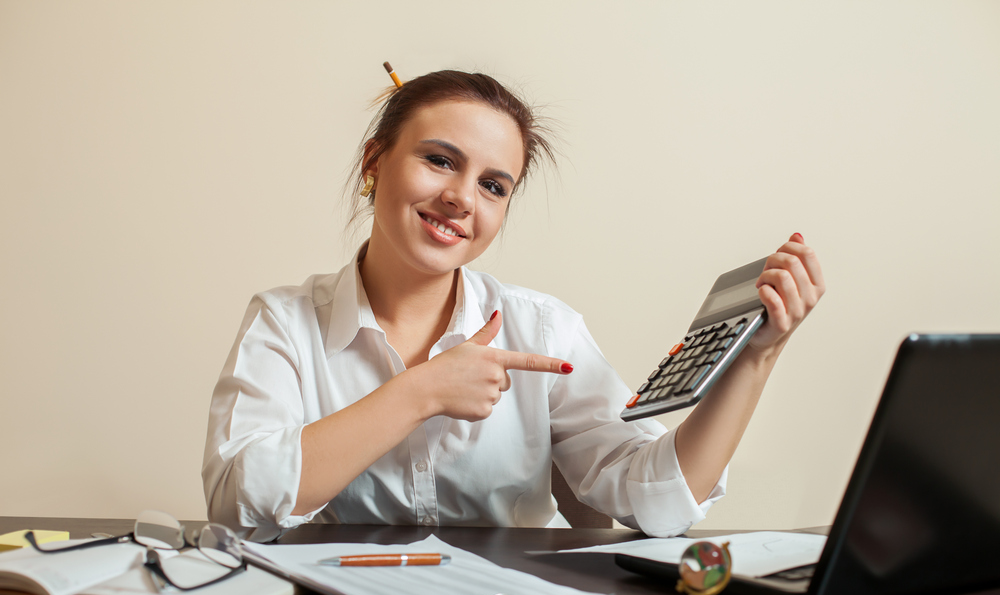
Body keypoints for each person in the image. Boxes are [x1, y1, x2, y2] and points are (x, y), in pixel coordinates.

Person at [202, 69, 825, 542]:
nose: (460, 198)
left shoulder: (545, 329)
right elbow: (236, 504)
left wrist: (754, 359)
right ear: (375, 163)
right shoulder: (284, 321)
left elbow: (658, 503)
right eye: (439, 160)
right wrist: (418, 393)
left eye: (492, 185)